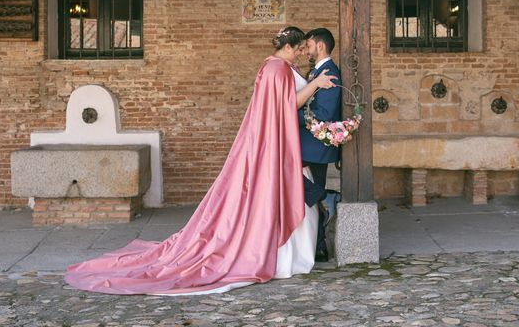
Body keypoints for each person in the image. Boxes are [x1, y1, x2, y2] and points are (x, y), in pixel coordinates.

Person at [64, 26, 336, 295]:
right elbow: (287, 104)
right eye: (299, 49)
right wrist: (315, 84)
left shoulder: (269, 66)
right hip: (273, 144)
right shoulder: (278, 69)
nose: (300, 55)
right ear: (288, 47)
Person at [298, 28, 342, 262]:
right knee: (314, 200)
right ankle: (320, 248)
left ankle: (326, 197)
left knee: (280, 167)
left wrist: (288, 115)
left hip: (316, 144)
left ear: (320, 46)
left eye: (309, 45)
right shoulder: (318, 72)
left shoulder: (329, 73)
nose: (306, 50)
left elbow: (323, 114)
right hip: (312, 143)